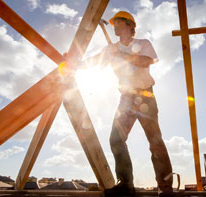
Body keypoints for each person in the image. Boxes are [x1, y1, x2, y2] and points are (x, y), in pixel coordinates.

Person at [66, 11, 173, 196]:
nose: (115, 25)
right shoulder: (110, 50)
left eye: (119, 22)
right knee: (116, 139)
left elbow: (146, 61)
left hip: (146, 96)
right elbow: (92, 62)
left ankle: (165, 188)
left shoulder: (143, 43)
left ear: (130, 25)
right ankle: (126, 185)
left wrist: (122, 55)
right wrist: (72, 62)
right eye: (114, 23)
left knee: (155, 142)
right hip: (126, 99)